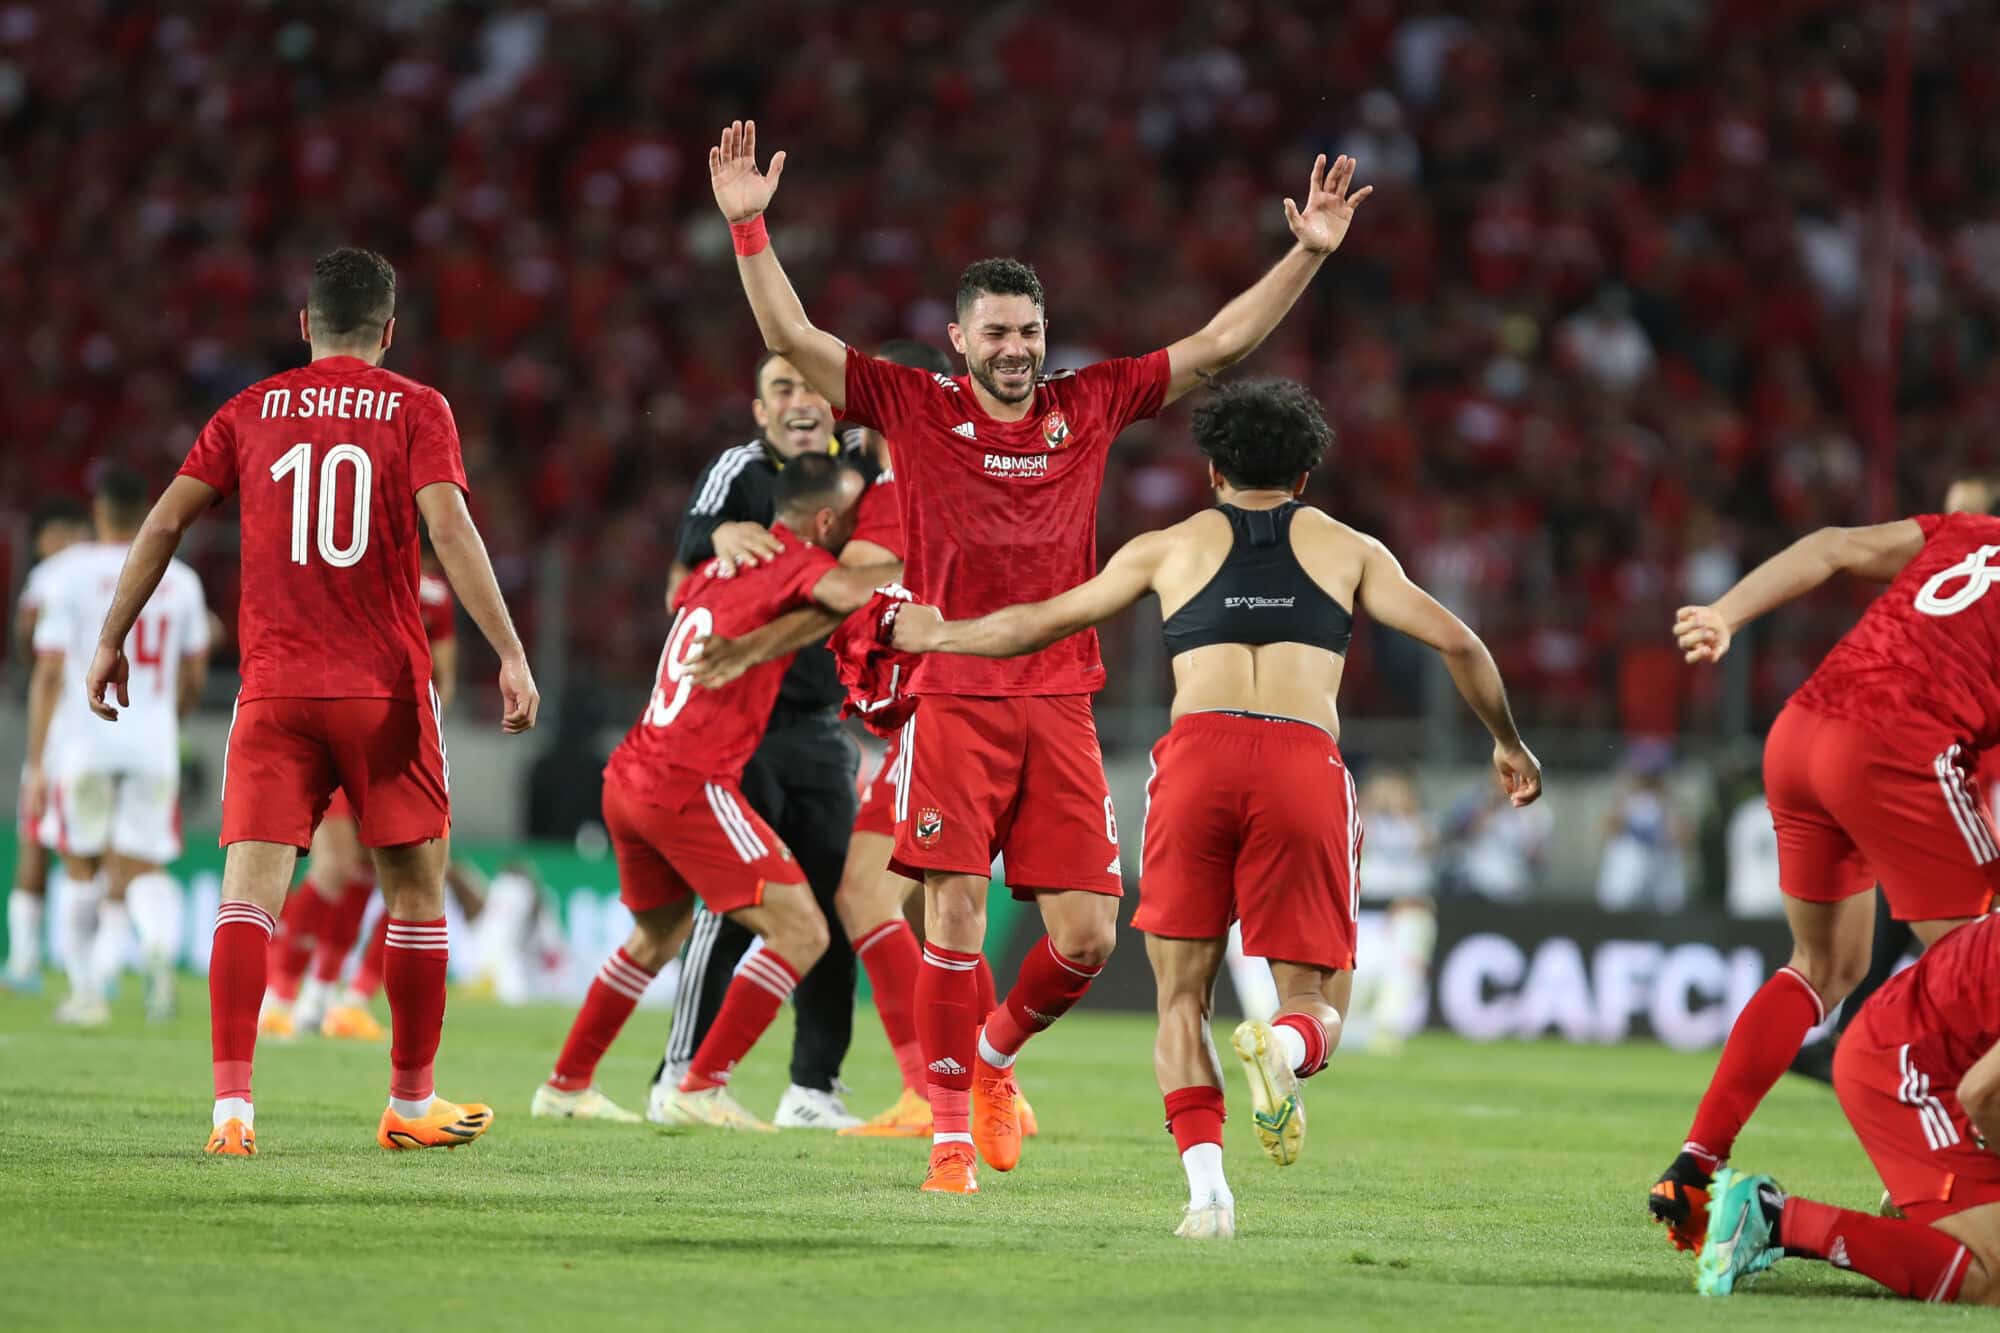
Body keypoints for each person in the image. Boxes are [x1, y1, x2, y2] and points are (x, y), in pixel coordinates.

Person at [709, 118, 1373, 1193]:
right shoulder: (908, 403)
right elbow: (795, 339)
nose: (1017, 348)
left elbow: (1215, 348)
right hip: (955, 692)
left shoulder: (1087, 403)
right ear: (958, 339)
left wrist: (1306, 250)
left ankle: (987, 1063)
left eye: (1030, 329)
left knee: (1084, 936)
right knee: (959, 913)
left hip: (1061, 698)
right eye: (997, 333)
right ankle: (948, 1144)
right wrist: (748, 229)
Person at [890, 378, 1542, 1235]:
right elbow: (1459, 639)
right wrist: (1506, 739)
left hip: (1196, 760)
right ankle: (1285, 1045)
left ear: (1210, 470)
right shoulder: (1350, 550)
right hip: (1302, 761)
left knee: (1181, 1001)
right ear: (1307, 475)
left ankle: (1209, 1198)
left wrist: (942, 634)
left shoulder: (1169, 547)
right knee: (1316, 1001)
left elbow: (1046, 619)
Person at [83, 247, 539, 1156]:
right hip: (382, 690)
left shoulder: (248, 409)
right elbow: (448, 525)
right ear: (389, 329)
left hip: (276, 691)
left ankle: (232, 1114)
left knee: (248, 897)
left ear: (304, 325)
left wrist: (110, 635)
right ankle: (410, 1102)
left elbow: (167, 518)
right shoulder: (418, 407)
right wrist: (510, 651)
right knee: (414, 893)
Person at [677, 338, 1036, 1138]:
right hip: (952, 704)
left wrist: (758, 626)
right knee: (933, 902)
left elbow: (857, 593)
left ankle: (928, 1089)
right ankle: (989, 1087)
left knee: (866, 894)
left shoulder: (896, 482)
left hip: (941, 704)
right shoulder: (942, 467)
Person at [1652, 499, 2000, 1250]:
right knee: (1981, 977)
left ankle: (1694, 1162)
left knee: (1823, 967)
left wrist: (1725, 614)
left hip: (1803, 729)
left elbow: (1835, 546)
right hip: (1898, 747)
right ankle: (1938, 1188)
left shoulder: (1969, 532)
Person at [531, 454, 899, 1128]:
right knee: (805, 930)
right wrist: (927, 560)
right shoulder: (799, 561)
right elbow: (854, 595)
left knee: (657, 933)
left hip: (631, 772)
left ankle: (565, 1084)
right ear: (825, 521)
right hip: (690, 782)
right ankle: (700, 1086)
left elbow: (683, 591)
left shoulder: (719, 564)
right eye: (849, 518)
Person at [646, 350, 876, 1131]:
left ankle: (813, 1086)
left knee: (836, 903)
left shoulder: (865, 470)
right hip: (740, 729)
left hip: (821, 724)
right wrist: (724, 537)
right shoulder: (738, 474)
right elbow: (682, 584)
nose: (802, 400)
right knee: (729, 904)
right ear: (760, 410)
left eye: (813, 386)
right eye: (783, 389)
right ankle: (679, 1073)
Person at [1788, 472, 2000, 1085]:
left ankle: (1871, 1049)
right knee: (1923, 929)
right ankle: (1872, 1048)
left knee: (1935, 935)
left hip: (1953, 788)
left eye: (1968, 511)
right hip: (1924, 784)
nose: (1955, 516)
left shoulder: (1965, 574)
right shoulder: (1941, 577)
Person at [1695, 910, 2000, 1304]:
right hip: (1904, 1065)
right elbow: (1980, 1094)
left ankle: (1932, 1205)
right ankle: (1769, 1218)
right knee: (1993, 1281)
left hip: (1932, 1055)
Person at [26, 466, 210, 1026]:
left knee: (79, 864)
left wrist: (36, 762)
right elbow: (196, 669)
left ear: (99, 511)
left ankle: (87, 994)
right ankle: (155, 966)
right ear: (145, 511)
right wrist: (167, 721)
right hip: (151, 739)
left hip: (83, 738)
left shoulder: (66, 572)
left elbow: (50, 671)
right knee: (144, 866)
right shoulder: (181, 579)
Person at [260, 541, 460, 1042]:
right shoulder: (433, 593)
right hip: (392, 739)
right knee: (374, 873)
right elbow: (444, 679)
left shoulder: (350, 570)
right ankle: (292, 994)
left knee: (364, 875)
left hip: (343, 725)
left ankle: (319, 997)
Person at [4, 497, 90, 993]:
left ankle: (25, 962)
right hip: (107, 733)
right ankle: (97, 967)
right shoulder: (125, 564)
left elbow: (29, 640)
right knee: (99, 853)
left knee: (36, 842)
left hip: (59, 736)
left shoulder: (52, 575)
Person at [1350, 768, 1437, 1054]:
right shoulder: (1359, 821)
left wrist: (1403, 811)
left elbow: (1429, 845)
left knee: (1411, 941)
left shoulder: (1421, 824)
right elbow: (1350, 840)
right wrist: (1370, 803)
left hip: (1402, 912)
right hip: (1363, 915)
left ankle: (1388, 1026)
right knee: (1356, 996)